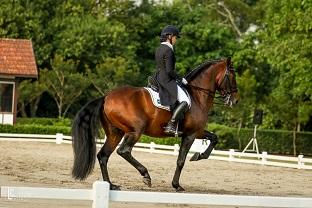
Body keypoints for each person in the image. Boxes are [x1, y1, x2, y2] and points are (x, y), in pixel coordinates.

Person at [153, 25, 190, 135]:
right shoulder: (169, 50)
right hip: (166, 79)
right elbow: (169, 70)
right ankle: (171, 125)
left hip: (158, 77)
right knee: (186, 101)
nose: (176, 40)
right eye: (175, 37)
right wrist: (180, 79)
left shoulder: (159, 49)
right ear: (169, 36)